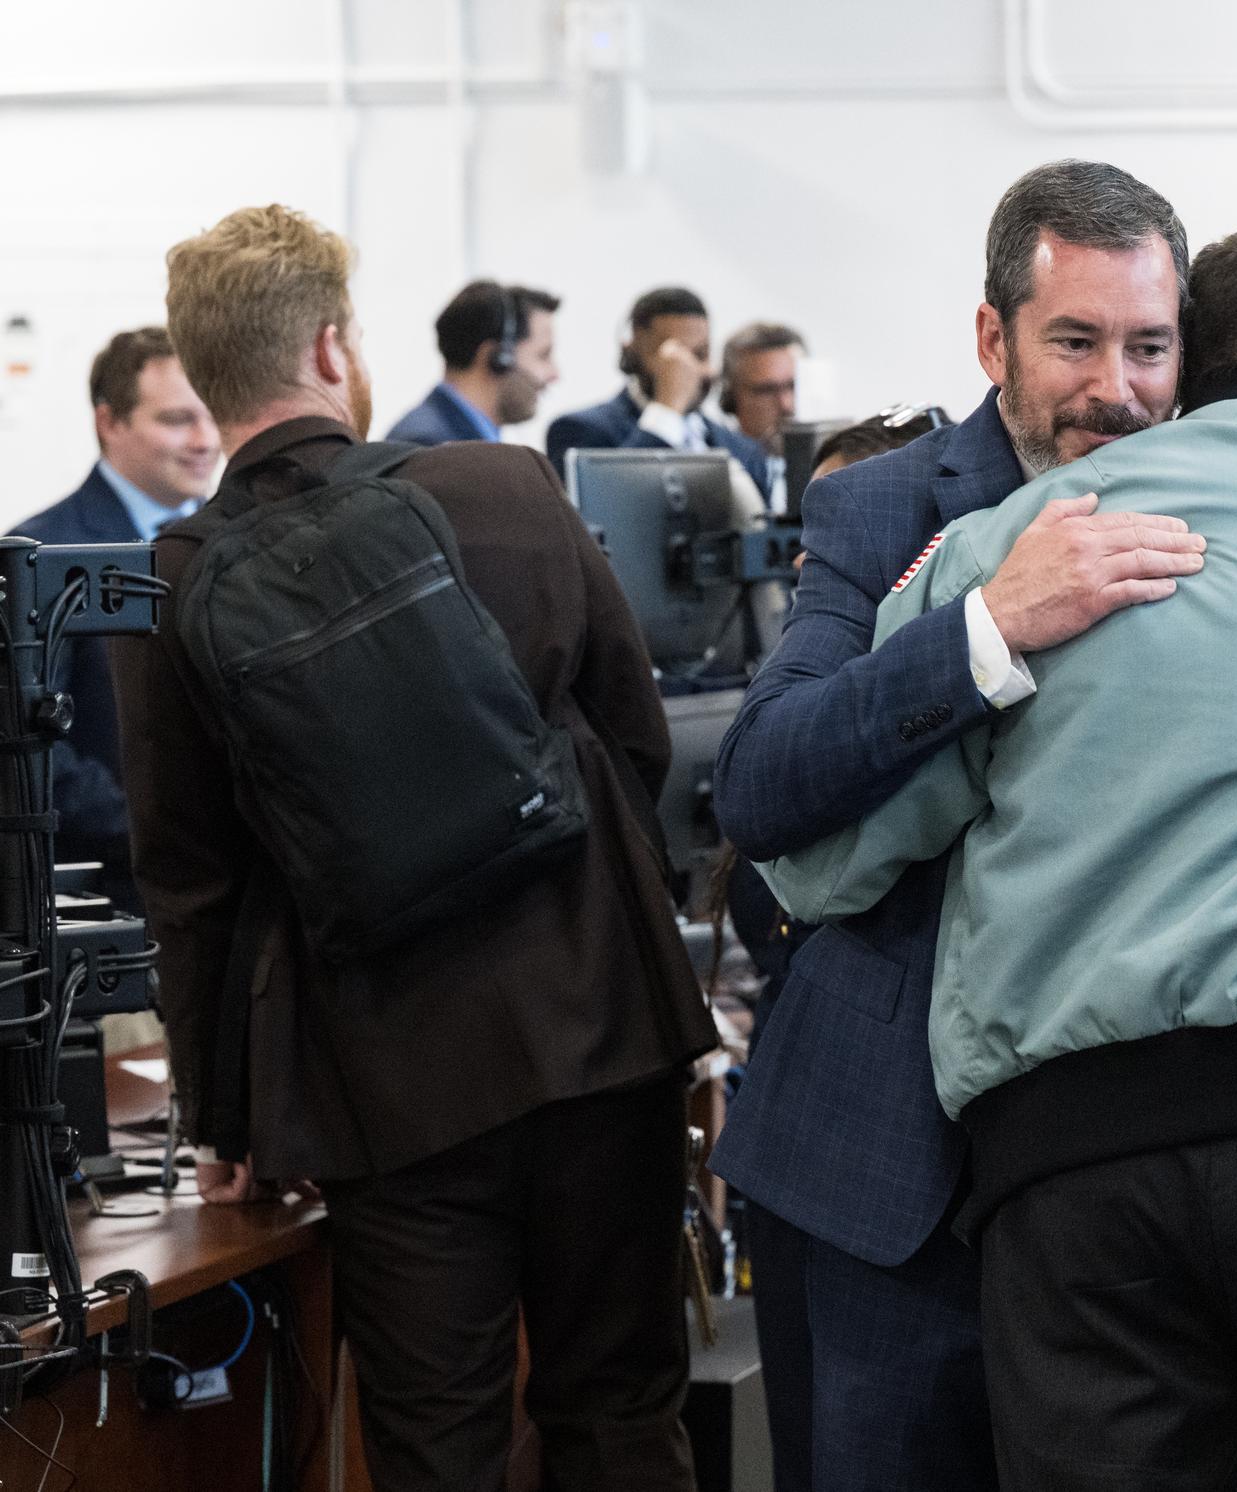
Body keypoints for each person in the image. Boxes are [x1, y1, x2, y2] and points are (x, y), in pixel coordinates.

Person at [710, 160, 1237, 1491]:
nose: (1121, 388)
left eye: (1152, 347)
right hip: (889, 1169)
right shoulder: (889, 509)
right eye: (1077, 342)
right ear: (994, 338)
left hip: (1156, 1178)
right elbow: (764, 789)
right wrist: (987, 630)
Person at [114, 205, 716, 1492]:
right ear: (333, 348)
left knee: (436, 1444)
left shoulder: (173, 579)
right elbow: (639, 735)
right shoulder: (506, 488)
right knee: (619, 1410)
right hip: (600, 1025)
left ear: (210, 378)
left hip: (378, 1081)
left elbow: (194, 886)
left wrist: (225, 1121)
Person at [15, 326, 218, 907]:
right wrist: (155, 833)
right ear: (110, 422)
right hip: (109, 898)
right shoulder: (41, 555)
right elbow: (30, 749)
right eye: (177, 419)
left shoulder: (234, 539)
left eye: (210, 415)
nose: (205, 439)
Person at [545, 287, 773, 498]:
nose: (690, 369)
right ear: (632, 352)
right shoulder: (579, 431)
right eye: (675, 356)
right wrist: (667, 410)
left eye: (701, 354)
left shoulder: (743, 449)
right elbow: (611, 507)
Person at [385, 279, 561, 445]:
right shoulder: (430, 447)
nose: (554, 374)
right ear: (498, 358)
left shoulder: (455, 440)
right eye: (543, 355)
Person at [718, 322, 806, 508]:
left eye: (794, 386)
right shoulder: (720, 474)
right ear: (731, 399)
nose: (787, 405)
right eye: (766, 390)